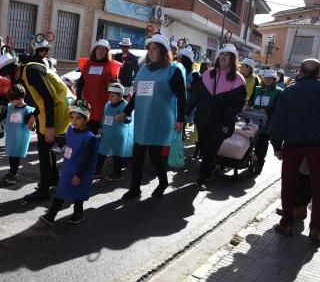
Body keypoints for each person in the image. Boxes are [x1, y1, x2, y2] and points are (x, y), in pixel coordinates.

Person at [0, 50, 72, 201]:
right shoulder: (28, 70)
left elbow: (49, 97)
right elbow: (41, 100)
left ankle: (44, 190)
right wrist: (34, 116)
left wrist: (50, 126)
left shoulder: (30, 72)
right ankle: (53, 179)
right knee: (47, 149)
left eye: (7, 76)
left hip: (57, 110)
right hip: (53, 109)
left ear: (12, 70)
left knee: (44, 151)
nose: (8, 79)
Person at [118, 34, 186, 199]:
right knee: (138, 156)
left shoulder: (173, 70)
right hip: (142, 120)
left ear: (163, 51)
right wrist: (126, 111)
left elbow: (182, 97)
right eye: (149, 49)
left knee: (156, 156)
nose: (151, 52)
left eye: (155, 48)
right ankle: (135, 189)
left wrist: (180, 120)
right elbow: (137, 96)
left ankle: (163, 182)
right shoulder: (143, 70)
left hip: (160, 121)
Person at [270, 58, 320, 241]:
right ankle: (316, 229)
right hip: (317, 146)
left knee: (289, 185)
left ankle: (287, 223)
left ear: (300, 71)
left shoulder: (288, 92)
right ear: (318, 73)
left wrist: (276, 145)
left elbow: (279, 121)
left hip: (293, 144)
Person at [187, 44, 246, 190]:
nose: (223, 57)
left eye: (227, 55)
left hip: (220, 123)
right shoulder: (207, 74)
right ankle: (211, 168)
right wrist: (186, 111)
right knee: (203, 147)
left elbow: (238, 103)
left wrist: (224, 116)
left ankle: (201, 177)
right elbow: (196, 95)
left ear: (233, 59)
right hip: (202, 120)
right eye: (221, 54)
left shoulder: (238, 79)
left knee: (210, 150)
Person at [39, 99, 98, 225]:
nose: (74, 121)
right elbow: (67, 139)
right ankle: (51, 215)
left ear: (86, 119)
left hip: (79, 171)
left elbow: (88, 160)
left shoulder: (89, 138)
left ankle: (78, 213)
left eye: (78, 118)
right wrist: (55, 138)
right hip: (68, 168)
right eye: (72, 117)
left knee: (78, 193)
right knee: (61, 190)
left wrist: (79, 175)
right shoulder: (71, 129)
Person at [76, 39, 121, 133]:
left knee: (98, 134)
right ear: (95, 50)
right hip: (86, 105)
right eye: (99, 48)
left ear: (107, 52)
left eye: (104, 49)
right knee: (85, 133)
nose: (101, 51)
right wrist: (78, 98)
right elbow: (81, 83)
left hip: (102, 106)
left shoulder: (111, 65)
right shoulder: (87, 64)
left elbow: (115, 87)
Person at [94, 82, 133, 181]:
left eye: (112, 96)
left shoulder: (125, 106)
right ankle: (97, 170)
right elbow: (104, 116)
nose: (110, 98)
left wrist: (123, 118)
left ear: (120, 95)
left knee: (117, 155)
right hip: (107, 133)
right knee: (101, 152)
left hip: (118, 135)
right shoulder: (108, 104)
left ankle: (117, 174)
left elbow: (129, 119)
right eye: (109, 95)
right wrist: (101, 126)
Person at [249, 69, 282, 174]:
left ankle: (259, 164)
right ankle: (248, 160)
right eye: (265, 78)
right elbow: (250, 101)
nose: (267, 80)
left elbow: (279, 108)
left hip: (267, 124)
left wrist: (267, 112)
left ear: (274, 80)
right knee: (249, 143)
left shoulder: (278, 91)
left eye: (270, 78)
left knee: (261, 145)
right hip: (253, 121)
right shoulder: (258, 89)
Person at [2, 84, 36, 185]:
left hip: (20, 138)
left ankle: (13, 174)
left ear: (20, 98)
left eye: (13, 100)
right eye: (11, 100)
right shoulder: (11, 107)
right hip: (11, 137)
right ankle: (12, 171)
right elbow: (2, 116)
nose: (11, 102)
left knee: (16, 156)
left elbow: (31, 125)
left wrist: (32, 126)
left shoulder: (28, 110)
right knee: (11, 155)